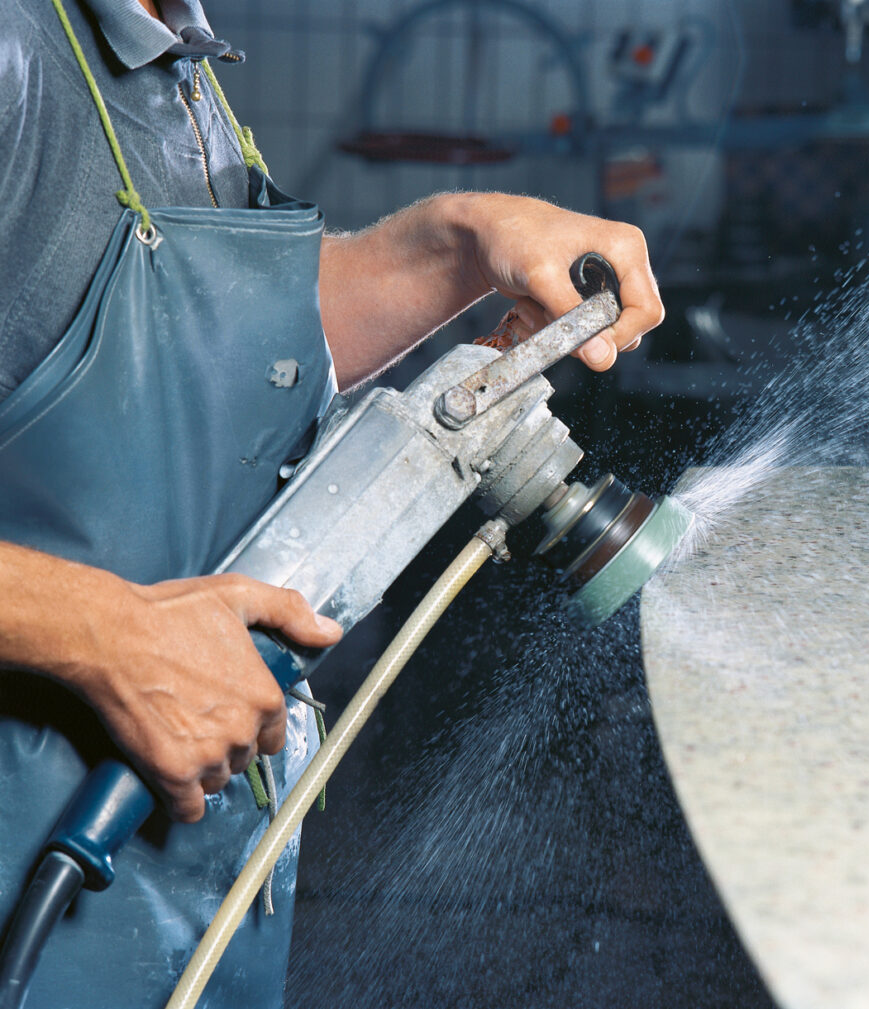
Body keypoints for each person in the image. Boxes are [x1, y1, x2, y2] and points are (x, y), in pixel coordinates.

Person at [0, 1, 664, 1006]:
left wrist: (457, 242)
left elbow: (209, 362)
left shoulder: (168, 46)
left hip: (188, 893)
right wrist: (103, 632)